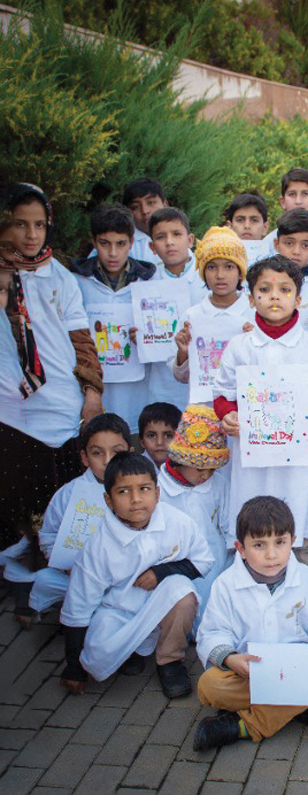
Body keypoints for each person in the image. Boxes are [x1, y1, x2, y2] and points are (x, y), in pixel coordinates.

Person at [213, 256, 308, 575]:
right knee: (251, 525)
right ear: (251, 297)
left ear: (298, 299)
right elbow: (222, 394)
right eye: (265, 289)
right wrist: (228, 415)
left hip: (299, 462)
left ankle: (306, 607)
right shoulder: (239, 348)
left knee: (299, 525)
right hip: (251, 462)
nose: (274, 296)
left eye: (284, 289)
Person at [194, 496, 308, 751]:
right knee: (209, 686)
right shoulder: (226, 584)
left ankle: (242, 726)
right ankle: (304, 709)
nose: (272, 554)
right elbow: (212, 631)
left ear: (292, 542)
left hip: (295, 666)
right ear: (240, 548)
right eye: (259, 545)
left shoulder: (305, 577)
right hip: (249, 671)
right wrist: (230, 659)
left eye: (280, 542)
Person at [59, 451, 213, 697]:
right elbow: (77, 608)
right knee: (96, 657)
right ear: (108, 500)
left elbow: (204, 561)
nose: (136, 500)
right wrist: (74, 668)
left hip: (162, 603)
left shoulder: (178, 522)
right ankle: (132, 649)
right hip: (118, 611)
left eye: (144, 489)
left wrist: (163, 571)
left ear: (157, 493)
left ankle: (170, 661)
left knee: (184, 594)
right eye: (123, 491)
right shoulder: (98, 546)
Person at [0, 184, 103, 551]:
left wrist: (91, 393)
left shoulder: (60, 277)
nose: (30, 235)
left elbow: (81, 342)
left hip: (60, 404)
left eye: (39, 225)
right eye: (20, 224)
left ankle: (52, 571)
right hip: (10, 409)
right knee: (12, 497)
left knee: (57, 504)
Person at [1, 413, 130, 627]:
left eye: (117, 452)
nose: (108, 461)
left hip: (125, 579)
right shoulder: (68, 494)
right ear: (84, 458)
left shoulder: (141, 490)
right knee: (46, 580)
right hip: (77, 575)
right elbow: (48, 534)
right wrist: (65, 564)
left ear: (130, 453)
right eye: (97, 453)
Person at [70, 203, 157, 434]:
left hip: (137, 391)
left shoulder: (149, 282)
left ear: (131, 242)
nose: (113, 253)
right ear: (93, 241)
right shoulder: (76, 281)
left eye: (121, 244)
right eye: (104, 244)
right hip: (94, 391)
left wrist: (147, 338)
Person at [157, 405, 231, 614]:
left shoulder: (220, 484)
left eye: (211, 469)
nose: (205, 476)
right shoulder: (158, 488)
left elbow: (226, 523)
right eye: (199, 468)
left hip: (216, 560)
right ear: (181, 460)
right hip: (176, 562)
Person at [170, 226, 254, 399]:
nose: (220, 275)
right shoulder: (191, 317)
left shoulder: (254, 315)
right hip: (203, 412)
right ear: (203, 272)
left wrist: (256, 343)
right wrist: (184, 352)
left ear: (240, 272)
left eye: (229, 267)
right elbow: (181, 377)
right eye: (212, 267)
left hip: (244, 410)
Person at [148, 207, 204, 412]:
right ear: (152, 247)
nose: (169, 242)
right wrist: (141, 335)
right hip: (164, 386)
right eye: (161, 237)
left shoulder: (208, 276)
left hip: (204, 383)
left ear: (190, 240)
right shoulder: (147, 284)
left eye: (176, 234)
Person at [260, 167, 308, 251]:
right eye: (292, 194)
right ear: (283, 202)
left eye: (305, 193)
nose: (298, 201)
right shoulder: (269, 244)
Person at [121, 177, 166, 264]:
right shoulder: (121, 242)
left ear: (165, 204)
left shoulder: (178, 238)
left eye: (151, 203)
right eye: (135, 207)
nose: (145, 211)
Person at [138, 402, 182, 468]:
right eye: (151, 436)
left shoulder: (189, 470)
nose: (159, 442)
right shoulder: (132, 471)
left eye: (168, 436)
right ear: (142, 442)